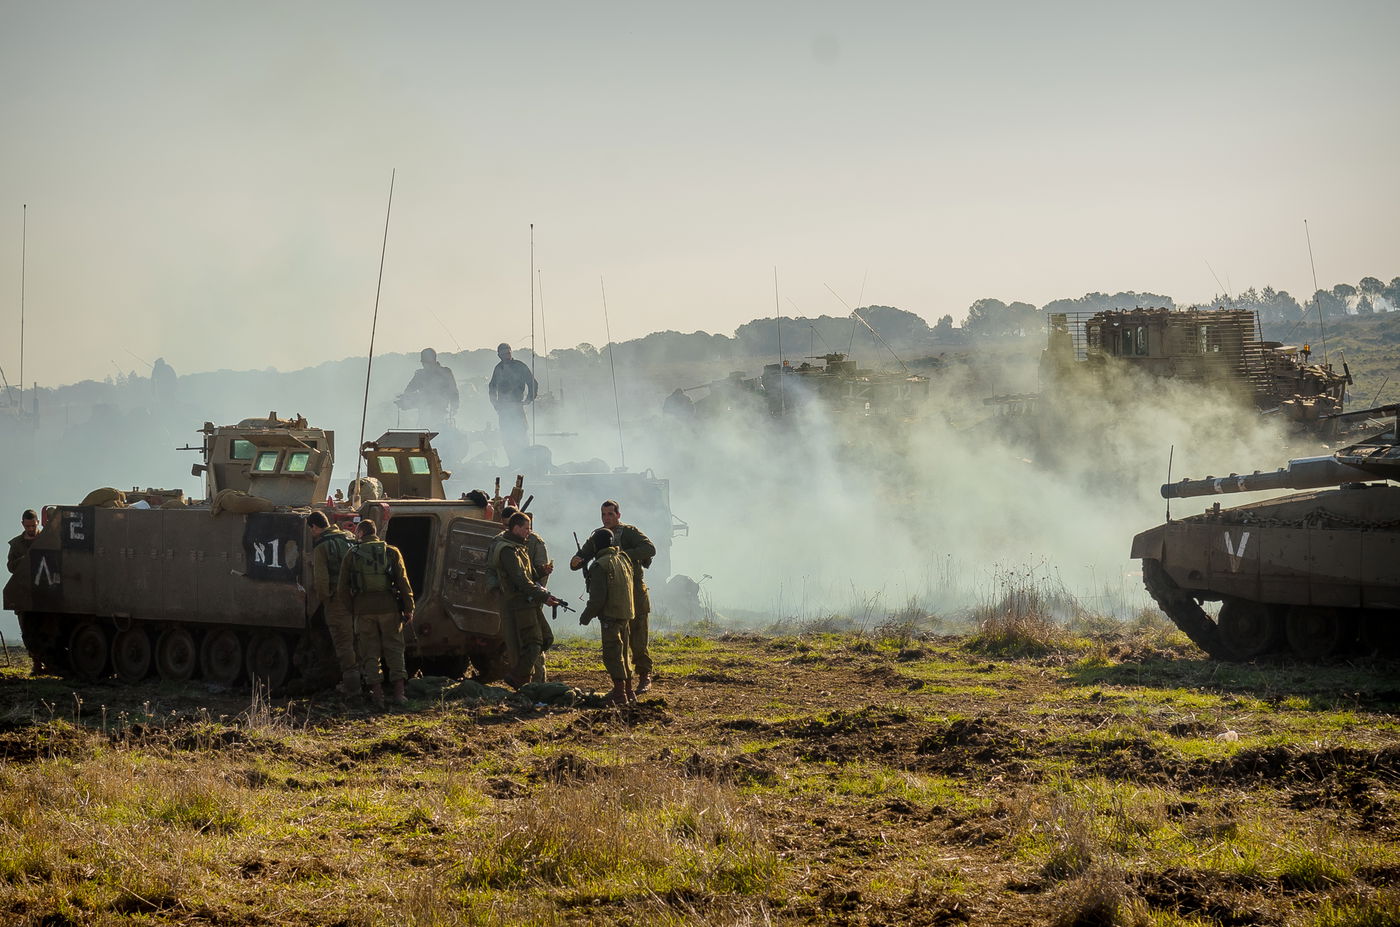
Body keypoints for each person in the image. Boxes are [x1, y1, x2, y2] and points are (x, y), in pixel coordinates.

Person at [570, 500, 658, 692]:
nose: (606, 518)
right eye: (603, 514)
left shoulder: (629, 532)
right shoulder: (599, 536)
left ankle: (644, 675)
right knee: (617, 643)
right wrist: (576, 561)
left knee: (638, 638)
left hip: (635, 591)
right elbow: (580, 558)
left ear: (618, 515)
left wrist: (622, 555)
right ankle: (624, 683)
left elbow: (649, 549)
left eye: (610, 514)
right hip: (614, 597)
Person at [338, 519, 415, 707]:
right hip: (389, 608)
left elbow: (342, 588)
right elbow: (403, 582)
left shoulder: (352, 554)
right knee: (395, 648)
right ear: (375, 532)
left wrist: (353, 608)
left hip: (363, 610)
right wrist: (409, 608)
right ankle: (399, 694)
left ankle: (377, 695)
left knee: (369, 652)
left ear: (360, 533)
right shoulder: (391, 552)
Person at [490, 512, 563, 688]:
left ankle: (520, 675)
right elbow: (520, 580)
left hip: (529, 602)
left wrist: (541, 572)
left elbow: (528, 576)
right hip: (518, 604)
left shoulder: (518, 547)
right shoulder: (507, 550)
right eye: (526, 528)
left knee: (546, 638)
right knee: (533, 643)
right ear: (516, 528)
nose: (528, 532)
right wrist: (544, 597)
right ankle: (519, 677)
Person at [577, 526, 636, 705]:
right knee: (624, 653)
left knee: (612, 655)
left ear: (596, 545)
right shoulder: (623, 559)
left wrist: (585, 617)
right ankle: (628, 691)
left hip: (610, 616)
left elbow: (597, 599)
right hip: (625, 613)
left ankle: (619, 694)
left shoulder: (600, 565)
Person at [308, 511, 359, 696]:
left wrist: (326, 599)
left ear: (314, 527)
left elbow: (321, 581)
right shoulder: (349, 537)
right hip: (357, 596)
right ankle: (370, 680)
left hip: (338, 599)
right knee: (359, 639)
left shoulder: (322, 546)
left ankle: (352, 686)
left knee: (343, 641)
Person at [5, 509, 45, 674]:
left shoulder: (46, 539)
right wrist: (26, 559)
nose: (30, 529)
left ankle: (49, 663)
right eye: (27, 526)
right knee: (28, 631)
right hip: (24, 593)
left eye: (33, 525)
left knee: (45, 629)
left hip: (45, 592)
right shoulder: (16, 544)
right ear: (23, 524)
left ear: (38, 523)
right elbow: (10, 566)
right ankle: (37, 664)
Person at [488, 343, 537, 463]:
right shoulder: (498, 368)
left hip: (517, 406)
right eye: (503, 353)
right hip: (504, 409)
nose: (506, 355)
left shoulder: (520, 366)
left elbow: (532, 383)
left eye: (508, 353)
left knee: (521, 434)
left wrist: (529, 398)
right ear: (499, 355)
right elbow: (492, 387)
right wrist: (496, 405)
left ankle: (526, 461)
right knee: (507, 436)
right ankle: (513, 462)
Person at [396, 347, 460, 425]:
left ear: (433, 361)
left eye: (426, 363)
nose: (424, 365)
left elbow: (453, 391)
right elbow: (409, 391)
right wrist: (404, 400)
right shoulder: (420, 375)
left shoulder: (445, 373)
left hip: (440, 414)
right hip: (424, 415)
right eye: (423, 363)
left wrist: (454, 407)